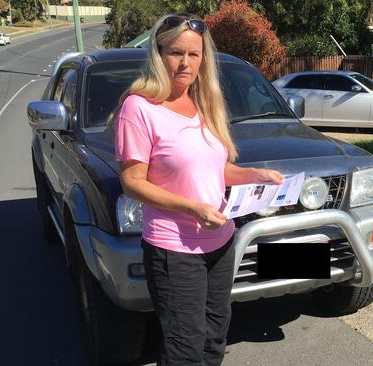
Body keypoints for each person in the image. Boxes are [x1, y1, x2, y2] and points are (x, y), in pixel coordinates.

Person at [114, 13, 284, 366]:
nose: (185, 63)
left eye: (194, 54)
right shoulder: (139, 108)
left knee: (213, 339)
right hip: (174, 250)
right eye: (176, 52)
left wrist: (256, 174)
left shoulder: (204, 103)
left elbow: (214, 170)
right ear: (158, 54)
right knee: (184, 349)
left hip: (220, 242)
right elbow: (132, 182)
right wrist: (193, 208)